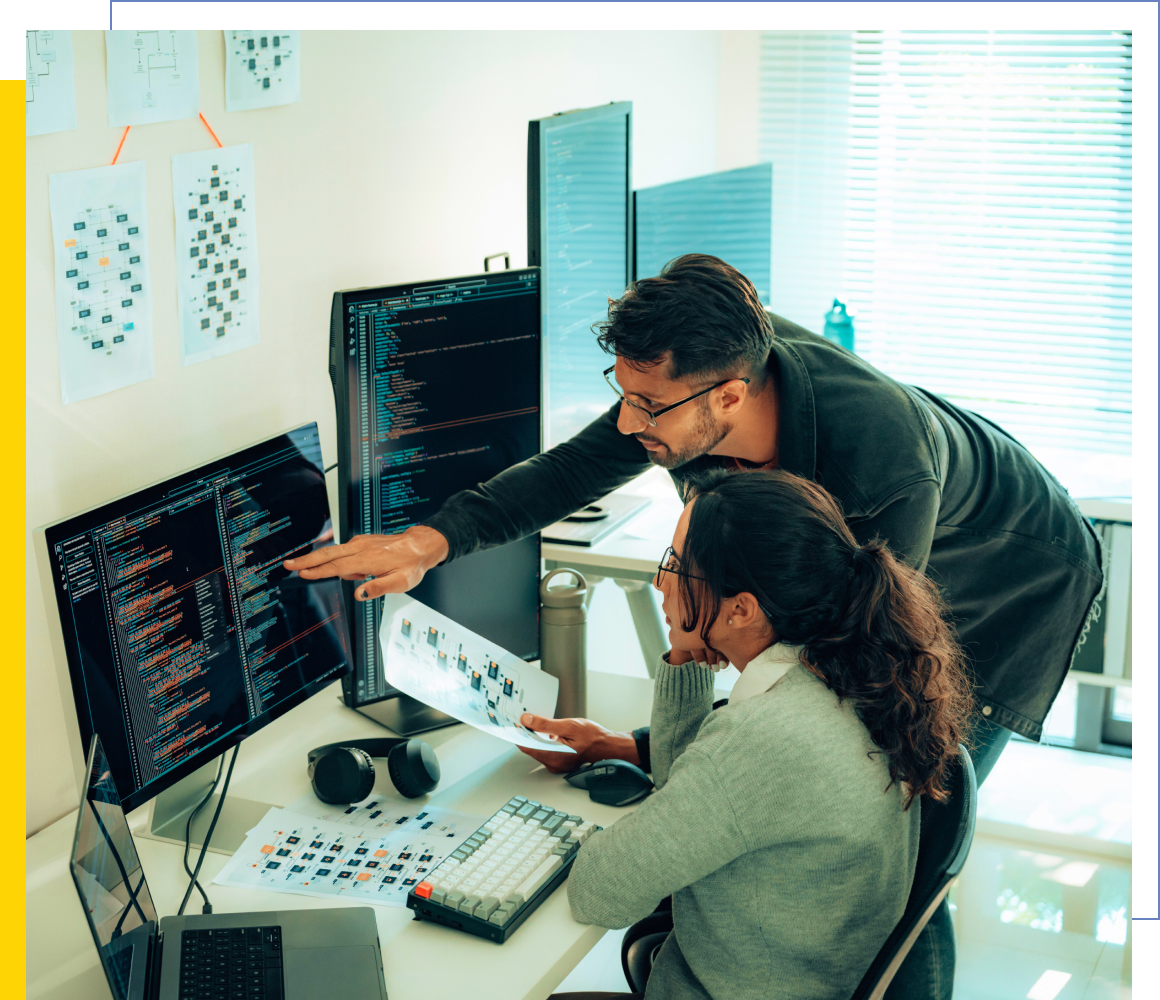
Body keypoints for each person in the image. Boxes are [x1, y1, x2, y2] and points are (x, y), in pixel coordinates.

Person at [285, 254, 1104, 997]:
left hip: (1011, 575)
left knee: (901, 807)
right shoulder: (698, 371)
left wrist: (674, 764)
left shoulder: (879, 471)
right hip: (906, 544)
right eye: (623, 394)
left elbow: (823, 698)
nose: (628, 422)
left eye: (645, 406)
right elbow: (572, 469)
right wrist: (426, 544)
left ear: (730, 397)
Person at [549, 466, 973, 1000]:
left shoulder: (763, 739)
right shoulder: (854, 676)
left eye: (676, 566)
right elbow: (689, 792)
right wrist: (685, 654)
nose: (660, 582)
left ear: (742, 609)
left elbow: (599, 892)